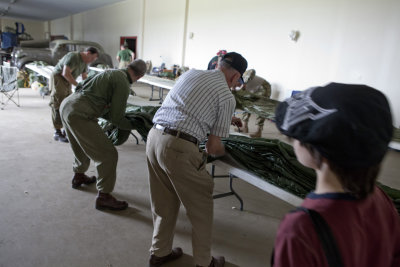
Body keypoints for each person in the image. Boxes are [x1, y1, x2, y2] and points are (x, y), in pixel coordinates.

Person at [272, 83, 400, 266]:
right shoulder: (381, 199)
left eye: (299, 134)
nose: (293, 140)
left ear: (320, 150)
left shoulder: (299, 228)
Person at [146, 52, 247, 267]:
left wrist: (225, 118)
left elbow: (191, 106)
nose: (237, 84)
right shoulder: (227, 96)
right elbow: (213, 147)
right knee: (201, 208)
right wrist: (231, 157)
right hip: (178, 149)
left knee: (163, 202)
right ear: (236, 75)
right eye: (239, 80)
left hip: (154, 138)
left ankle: (159, 252)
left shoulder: (190, 74)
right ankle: (204, 262)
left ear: (218, 64)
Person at [60, 59, 147, 211]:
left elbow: (95, 99)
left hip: (67, 106)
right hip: (80, 113)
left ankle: (79, 175)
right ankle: (104, 196)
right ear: (139, 77)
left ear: (128, 67)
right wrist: (136, 124)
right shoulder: (123, 83)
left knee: (81, 145)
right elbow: (116, 117)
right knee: (108, 155)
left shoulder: (110, 73)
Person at [49, 46, 99, 143]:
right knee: (58, 103)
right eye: (92, 58)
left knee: (68, 103)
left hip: (67, 80)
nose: (91, 61)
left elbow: (84, 77)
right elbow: (65, 73)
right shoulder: (73, 57)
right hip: (58, 77)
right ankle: (57, 132)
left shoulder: (85, 63)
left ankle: (65, 130)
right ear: (88, 53)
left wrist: (89, 87)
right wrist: (78, 85)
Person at [234, 69, 271, 137]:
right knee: (246, 105)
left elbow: (252, 71)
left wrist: (244, 83)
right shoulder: (232, 86)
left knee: (261, 109)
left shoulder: (241, 75)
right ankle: (244, 127)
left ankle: (258, 131)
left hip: (263, 87)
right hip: (253, 90)